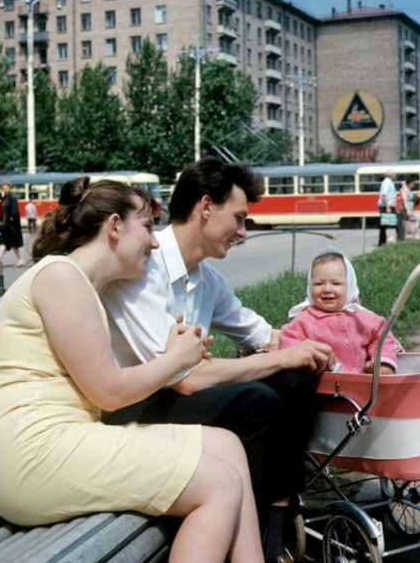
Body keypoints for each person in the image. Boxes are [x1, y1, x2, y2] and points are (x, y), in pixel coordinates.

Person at [0, 176, 263, 563]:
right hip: (33, 457)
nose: (155, 240)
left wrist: (175, 357)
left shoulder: (74, 281)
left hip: (58, 443)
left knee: (227, 446)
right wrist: (177, 360)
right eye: (147, 227)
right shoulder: (60, 277)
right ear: (114, 226)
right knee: (220, 484)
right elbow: (108, 392)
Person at [101, 157, 334, 562]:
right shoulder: (143, 270)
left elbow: (265, 336)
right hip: (131, 408)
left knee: (295, 382)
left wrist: (331, 345)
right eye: (239, 218)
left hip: (175, 393)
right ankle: (260, 532)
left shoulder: (206, 279)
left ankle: (277, 517)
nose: (243, 232)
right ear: (206, 207)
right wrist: (280, 359)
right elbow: (184, 378)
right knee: (257, 401)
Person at [279, 248, 402, 374]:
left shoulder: (362, 318)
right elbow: (288, 341)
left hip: (363, 384)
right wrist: (307, 362)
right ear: (309, 286)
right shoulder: (305, 320)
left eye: (336, 283)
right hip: (321, 385)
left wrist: (382, 363)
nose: (327, 289)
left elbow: (381, 338)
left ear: (350, 286)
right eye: (319, 284)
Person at [0, 181, 25, 269]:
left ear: (10, 188)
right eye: (3, 188)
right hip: (4, 224)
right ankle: (19, 260)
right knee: (7, 243)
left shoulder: (13, 199)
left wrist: (11, 221)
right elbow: (2, 212)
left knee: (7, 243)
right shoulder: (3, 198)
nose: (5, 189)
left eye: (6, 188)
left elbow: (15, 212)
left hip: (11, 225)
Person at [378, 170, 404, 246]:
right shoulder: (387, 183)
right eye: (395, 174)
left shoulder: (389, 182)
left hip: (388, 206)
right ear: (391, 175)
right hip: (387, 206)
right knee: (398, 222)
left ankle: (382, 242)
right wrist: (388, 207)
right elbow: (384, 195)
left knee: (384, 225)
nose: (395, 176)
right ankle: (401, 239)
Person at [401, 175, 420, 240]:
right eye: (413, 184)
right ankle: (415, 235)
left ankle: (412, 235)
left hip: (410, 208)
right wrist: (408, 210)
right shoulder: (405, 189)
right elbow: (404, 200)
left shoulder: (408, 189)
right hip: (408, 209)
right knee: (415, 221)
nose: (414, 185)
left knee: (407, 222)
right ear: (409, 183)